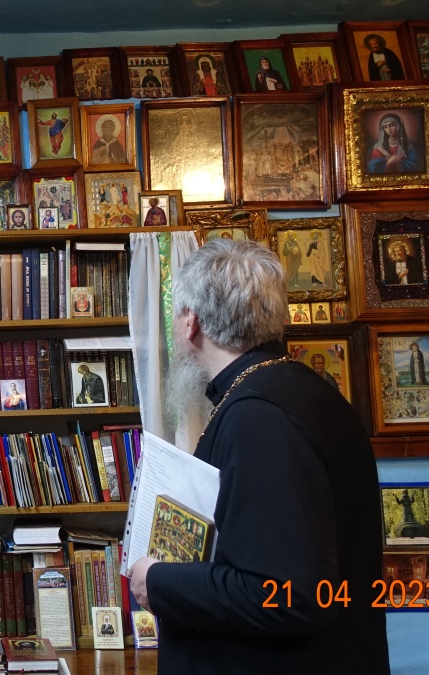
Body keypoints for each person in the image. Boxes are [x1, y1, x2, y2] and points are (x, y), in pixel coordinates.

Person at [128, 239, 389, 674]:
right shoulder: (299, 391)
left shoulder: (259, 417)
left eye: (177, 317)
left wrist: (160, 581)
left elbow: (288, 595)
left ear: (191, 322)